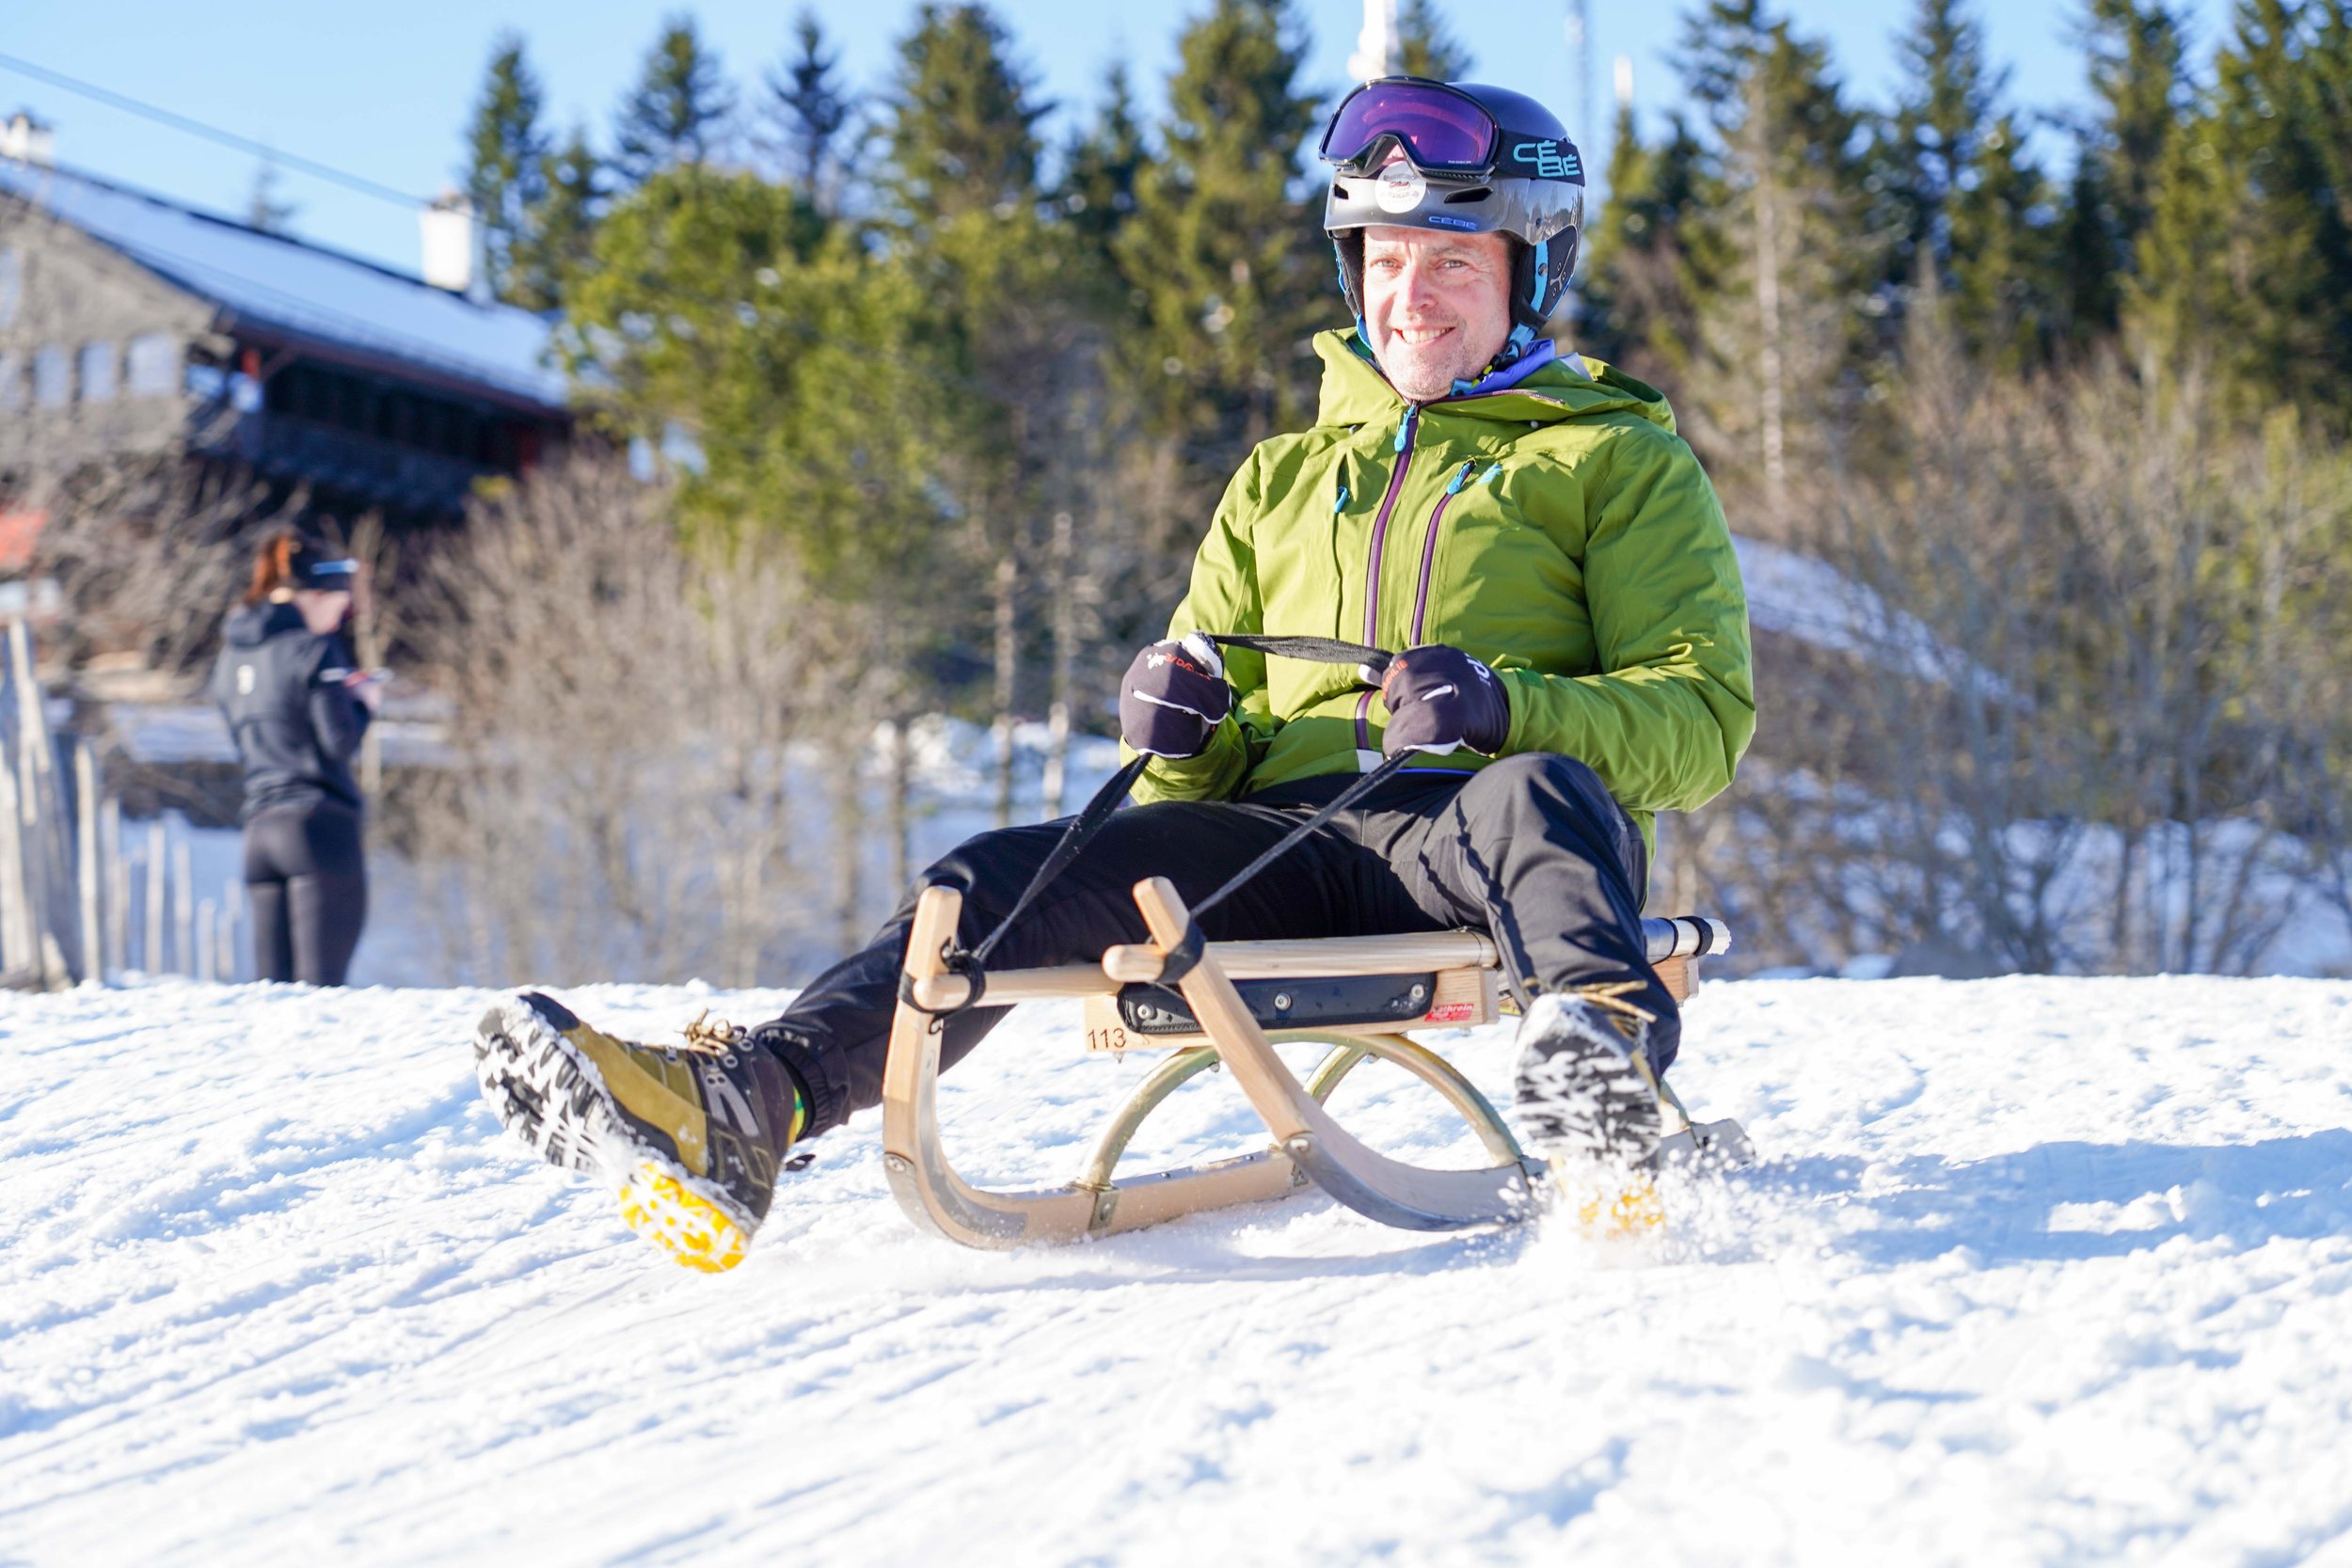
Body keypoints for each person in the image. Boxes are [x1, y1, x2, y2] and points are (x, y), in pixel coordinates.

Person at [473, 76, 1755, 1269]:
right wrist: (1180, 726)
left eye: (1452, 264)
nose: (1407, 297)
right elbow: (1209, 754)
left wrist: (1502, 702)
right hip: (1287, 848)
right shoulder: (1283, 478)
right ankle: (749, 1104)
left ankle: (1607, 1083)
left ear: (1529, 272)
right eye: (1385, 259)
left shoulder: (1614, 462)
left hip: (1473, 838)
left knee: (1535, 791)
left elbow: (1699, 721)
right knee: (994, 871)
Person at [210, 529, 380, 985]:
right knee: (322, 993)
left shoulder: (229, 659)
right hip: (319, 826)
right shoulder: (313, 649)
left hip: (260, 833)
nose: (339, 617)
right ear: (315, 594)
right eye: (338, 606)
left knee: (275, 996)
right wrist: (364, 703)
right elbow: (339, 743)